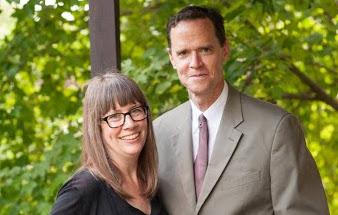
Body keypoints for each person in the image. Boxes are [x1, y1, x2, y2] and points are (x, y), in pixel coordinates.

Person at [153, 5, 329, 214]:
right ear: (172, 58)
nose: (195, 63)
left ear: (225, 50)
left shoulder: (275, 129)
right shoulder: (157, 132)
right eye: (183, 53)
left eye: (205, 50)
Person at [50, 72, 167, 215]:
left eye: (135, 111)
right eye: (115, 116)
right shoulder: (83, 191)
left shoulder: (153, 187)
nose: (129, 124)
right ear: (96, 127)